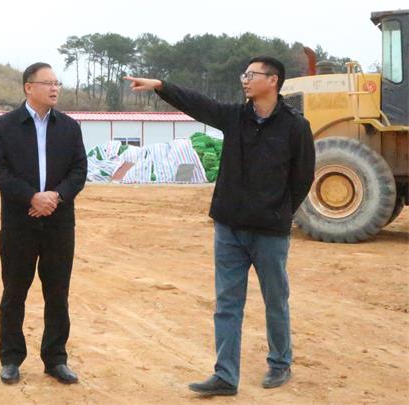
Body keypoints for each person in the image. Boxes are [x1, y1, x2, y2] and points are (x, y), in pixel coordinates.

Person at [125, 56, 315, 396]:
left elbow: (302, 177)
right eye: (244, 74)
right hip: (229, 229)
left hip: (269, 232)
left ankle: (279, 363)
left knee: (275, 300)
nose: (245, 79)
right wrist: (162, 87)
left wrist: (280, 213)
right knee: (227, 304)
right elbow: (198, 104)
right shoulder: (235, 117)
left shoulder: (295, 126)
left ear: (273, 80)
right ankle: (225, 375)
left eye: (252, 74)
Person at [0, 62, 88, 385]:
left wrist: (56, 197)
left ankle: (56, 359)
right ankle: (11, 359)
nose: (55, 88)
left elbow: (79, 171)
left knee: (57, 294)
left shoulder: (69, 127)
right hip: (19, 223)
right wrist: (31, 197)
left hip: (59, 224)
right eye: (48, 83)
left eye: (57, 83)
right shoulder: (5, 126)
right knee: (14, 292)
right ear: (29, 87)